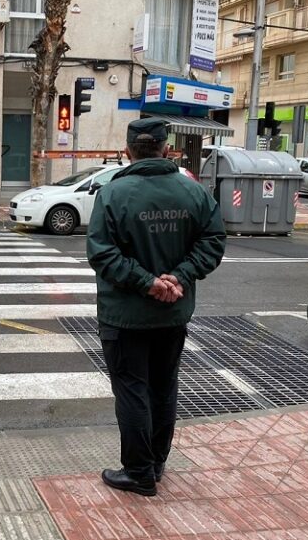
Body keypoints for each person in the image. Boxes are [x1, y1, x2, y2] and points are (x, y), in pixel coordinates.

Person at [86, 118, 226, 497]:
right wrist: (178, 278)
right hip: (172, 313)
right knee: (163, 388)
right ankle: (157, 462)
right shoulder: (192, 192)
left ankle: (139, 472)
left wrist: (147, 283)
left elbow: (101, 254)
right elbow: (213, 242)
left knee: (132, 391)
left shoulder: (113, 195)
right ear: (168, 149)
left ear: (128, 151)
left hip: (124, 316)